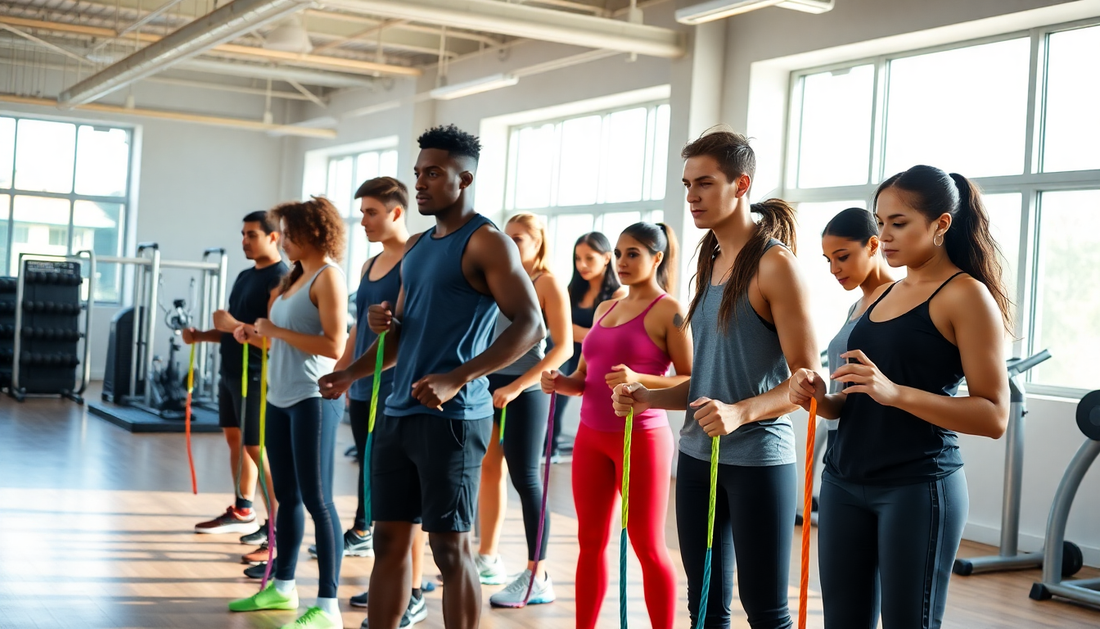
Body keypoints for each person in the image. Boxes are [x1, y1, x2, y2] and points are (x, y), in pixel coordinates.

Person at [318, 124, 545, 629]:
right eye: (418, 173)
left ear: (464, 179)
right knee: (389, 541)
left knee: (449, 547)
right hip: (397, 411)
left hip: (453, 418)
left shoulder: (487, 243)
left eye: (433, 173)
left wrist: (458, 377)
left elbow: (532, 325)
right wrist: (351, 371)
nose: (420, 183)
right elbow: (400, 333)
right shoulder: (418, 246)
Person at [613, 129, 819, 629]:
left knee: (767, 612)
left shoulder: (775, 265)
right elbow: (710, 382)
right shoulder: (708, 260)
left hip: (758, 461)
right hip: (697, 457)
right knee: (704, 607)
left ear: (741, 184)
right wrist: (650, 395)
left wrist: (740, 412)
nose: (692, 197)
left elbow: (807, 382)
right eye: (687, 184)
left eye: (704, 183)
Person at [790, 165, 1011, 629]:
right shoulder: (878, 296)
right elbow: (850, 402)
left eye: (899, 222)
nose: (884, 235)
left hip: (916, 486)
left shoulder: (964, 296)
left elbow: (993, 416)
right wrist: (817, 397)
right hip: (843, 482)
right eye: (881, 221)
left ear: (941, 225)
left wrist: (897, 393)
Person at [542, 222, 692, 629]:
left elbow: (691, 379)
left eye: (634, 254)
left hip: (641, 437)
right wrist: (560, 381)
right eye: (620, 253)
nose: (622, 262)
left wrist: (641, 380)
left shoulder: (672, 311)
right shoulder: (606, 306)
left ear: (656, 258)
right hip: (591, 439)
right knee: (589, 543)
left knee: (647, 546)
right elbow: (586, 378)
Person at [228, 197, 349, 629]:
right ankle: (282, 586)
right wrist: (256, 335)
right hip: (279, 398)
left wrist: (274, 329)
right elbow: (283, 339)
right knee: (287, 499)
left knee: (319, 501)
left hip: (312, 400)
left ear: (311, 232)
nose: (284, 239)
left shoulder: (328, 277)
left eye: (289, 231)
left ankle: (329, 606)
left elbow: (335, 345)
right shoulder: (295, 277)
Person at [336, 176, 431, 628]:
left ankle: (413, 592)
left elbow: (407, 331)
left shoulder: (416, 256)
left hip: (398, 389)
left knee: (404, 504)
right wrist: (342, 371)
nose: (364, 221)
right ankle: (392, 582)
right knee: (380, 495)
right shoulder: (369, 265)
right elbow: (359, 326)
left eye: (371, 212)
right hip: (362, 387)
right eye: (361, 212)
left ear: (396, 212)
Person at [474, 212, 573, 607]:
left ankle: (538, 574)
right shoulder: (498, 279)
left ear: (538, 242)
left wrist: (517, 386)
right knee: (488, 469)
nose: (510, 244)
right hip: (490, 386)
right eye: (506, 237)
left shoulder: (546, 282)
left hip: (527, 388)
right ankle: (488, 555)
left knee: (526, 478)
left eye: (519, 238)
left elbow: (563, 348)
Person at [185, 212, 285, 551]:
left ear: (274, 237)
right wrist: (201, 336)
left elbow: (272, 338)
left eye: (252, 235)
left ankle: (278, 524)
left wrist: (230, 324)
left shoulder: (280, 278)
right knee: (236, 442)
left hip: (258, 373)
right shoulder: (245, 275)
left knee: (258, 448)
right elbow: (234, 330)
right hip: (231, 371)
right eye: (243, 234)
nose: (244, 240)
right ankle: (243, 509)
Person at [809, 207, 895, 500]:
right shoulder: (855, 307)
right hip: (840, 443)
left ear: (873, 245)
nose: (834, 268)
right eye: (829, 260)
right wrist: (817, 397)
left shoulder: (899, 300)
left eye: (842, 256)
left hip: (877, 449)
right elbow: (844, 394)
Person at [546, 232, 626, 461]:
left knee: (595, 407)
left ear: (607, 258)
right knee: (554, 397)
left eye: (589, 258)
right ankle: (548, 449)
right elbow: (556, 327)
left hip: (596, 359)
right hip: (564, 352)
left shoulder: (618, 295)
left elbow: (602, 337)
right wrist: (581, 333)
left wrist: (571, 330)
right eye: (577, 258)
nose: (582, 265)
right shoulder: (573, 290)